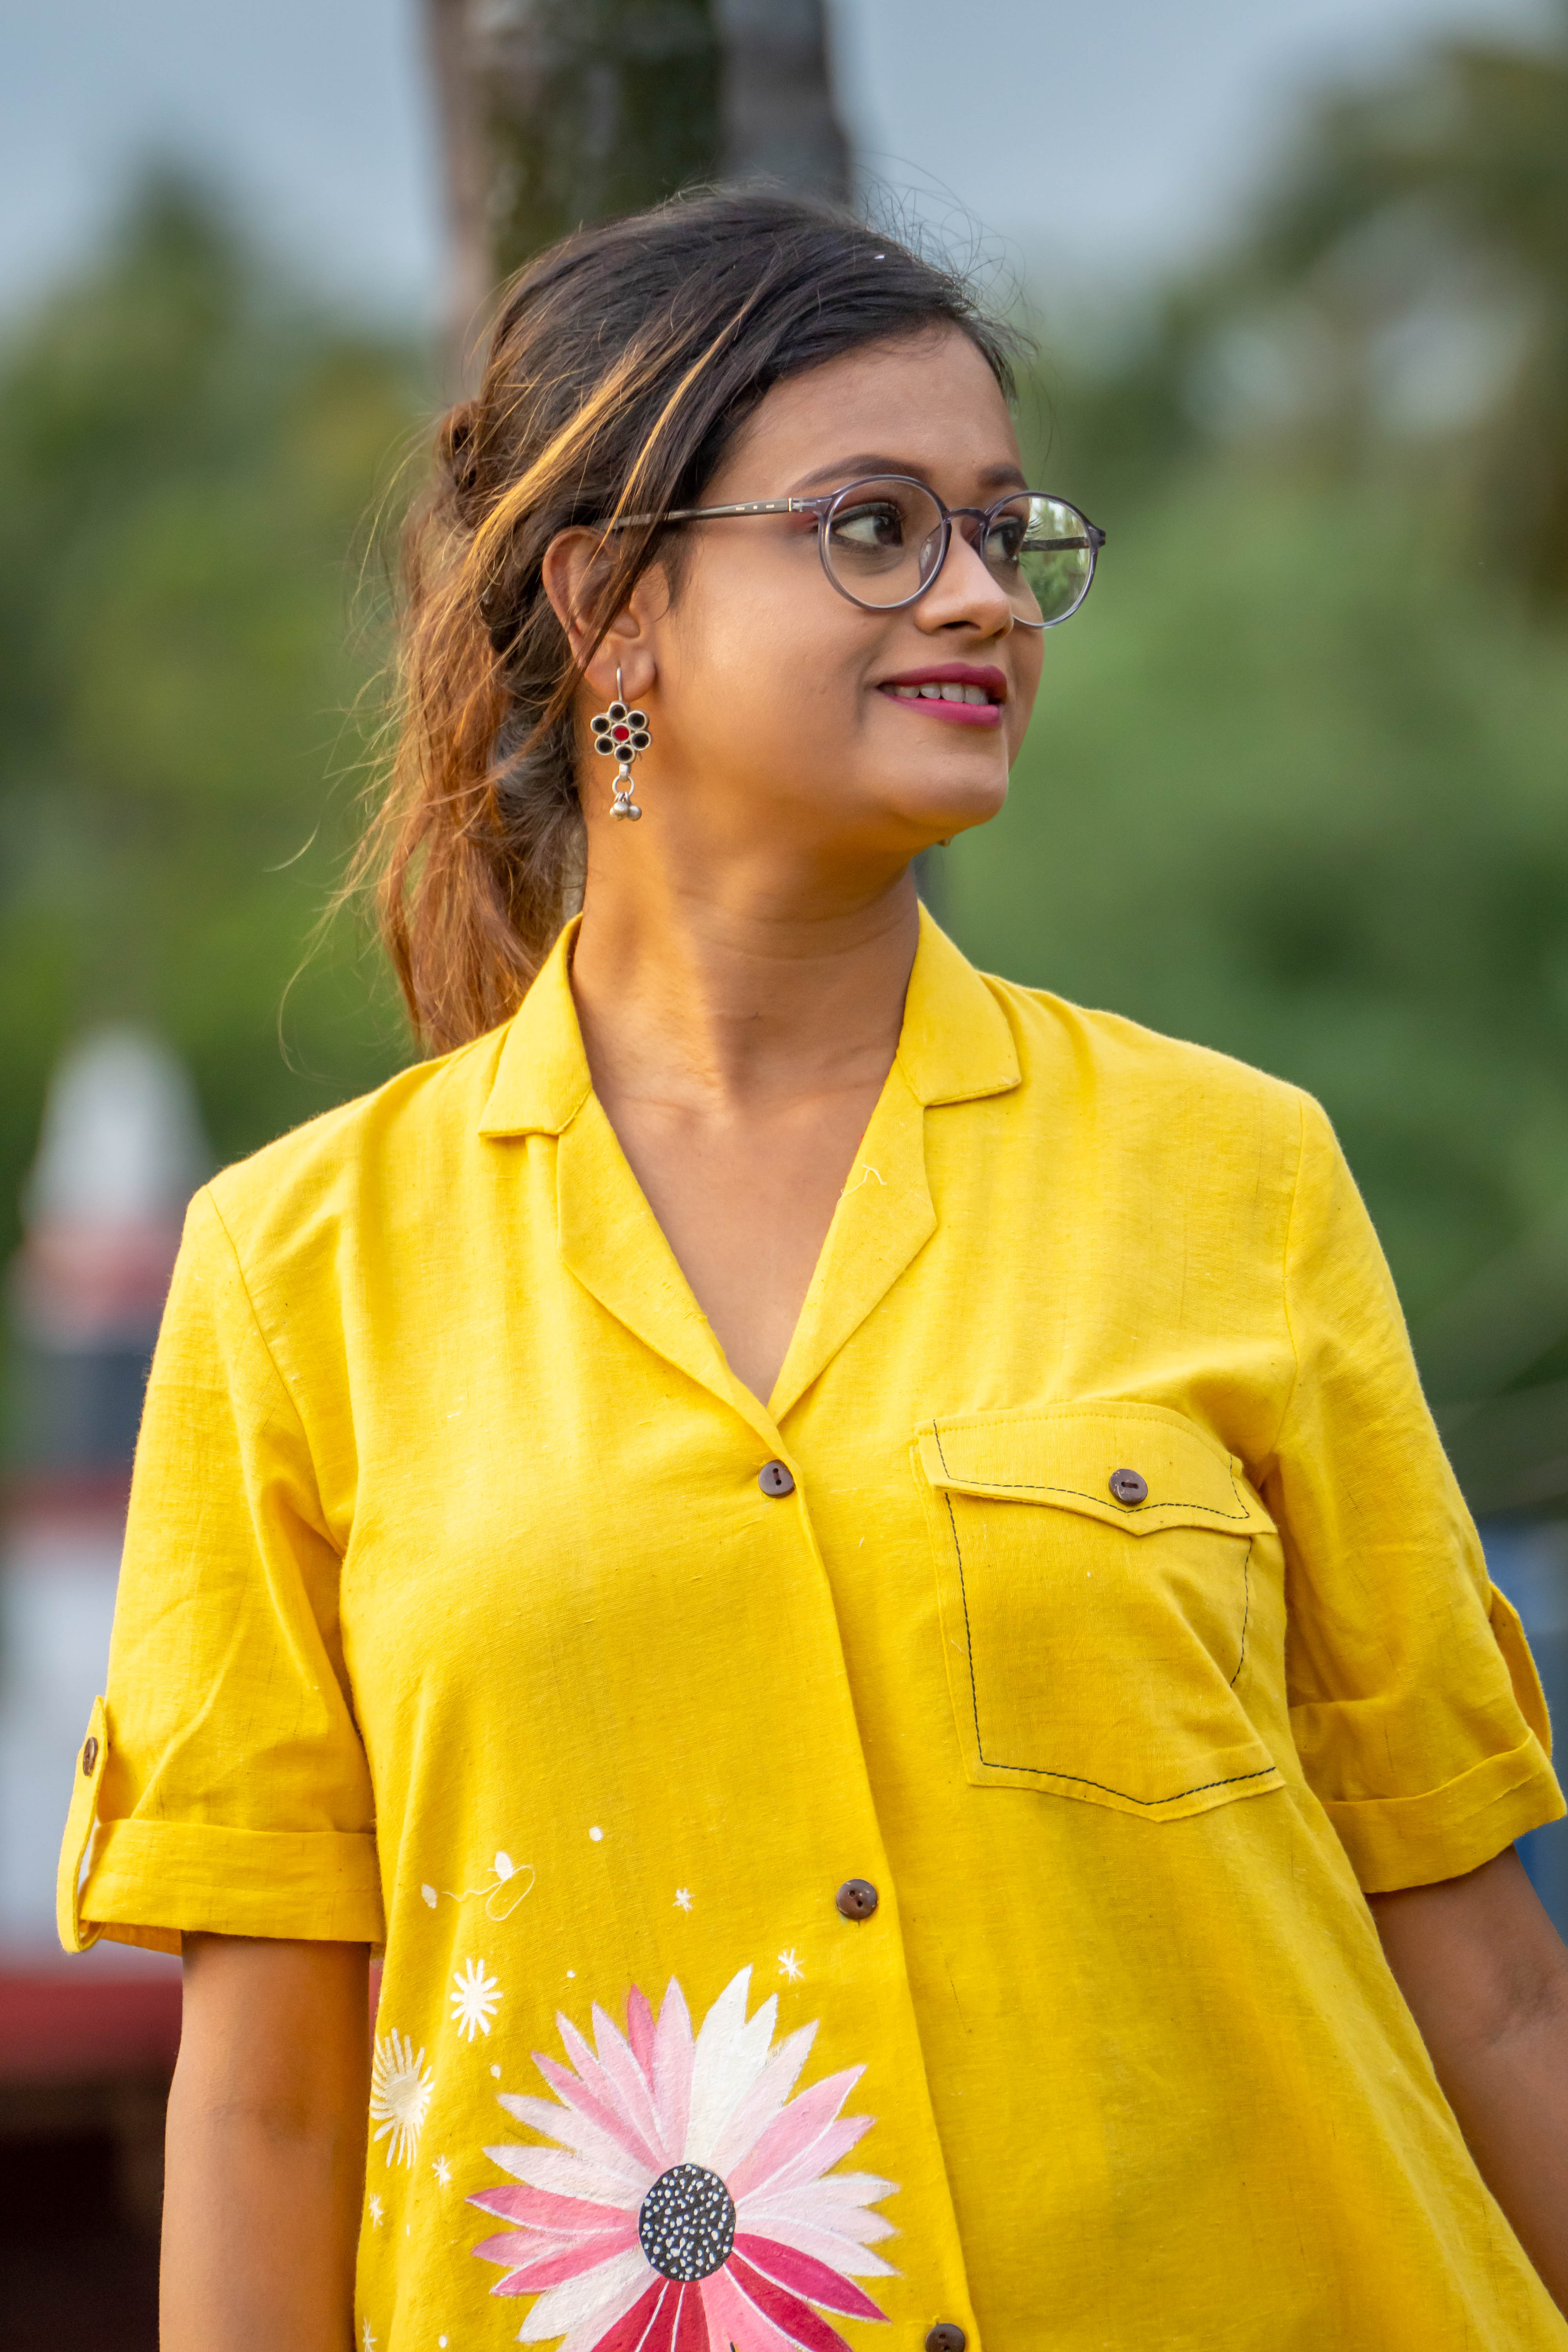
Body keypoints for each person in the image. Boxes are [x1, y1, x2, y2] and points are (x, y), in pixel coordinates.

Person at [57, 191, 1568, 2352]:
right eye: (873, 526)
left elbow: (1488, 1966)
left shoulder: (1236, 1179)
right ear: (613, 612)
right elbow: (270, 2102)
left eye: (999, 527)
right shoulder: (300, 1277)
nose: (978, 595)